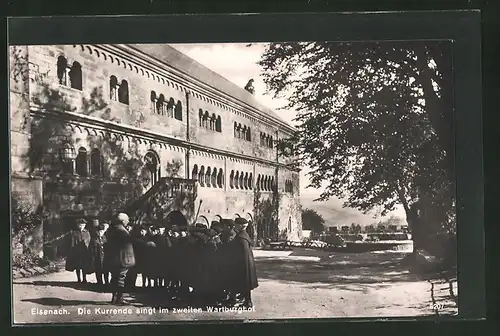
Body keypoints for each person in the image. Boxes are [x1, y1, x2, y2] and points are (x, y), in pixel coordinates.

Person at [106, 213, 136, 305]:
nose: (128, 221)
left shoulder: (112, 230)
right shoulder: (121, 231)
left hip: (113, 258)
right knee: (120, 278)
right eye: (127, 220)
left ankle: (114, 298)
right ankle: (119, 299)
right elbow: (128, 242)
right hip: (122, 258)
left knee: (114, 277)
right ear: (123, 221)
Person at [231, 217, 258, 308]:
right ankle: (247, 302)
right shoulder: (244, 235)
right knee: (245, 283)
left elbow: (242, 253)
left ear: (240, 226)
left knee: (245, 283)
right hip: (246, 263)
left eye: (236, 225)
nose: (234, 226)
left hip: (244, 264)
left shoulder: (241, 238)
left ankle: (248, 303)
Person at [65, 218, 91, 284]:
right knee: (78, 266)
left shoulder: (87, 233)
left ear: (85, 225)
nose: (81, 226)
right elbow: (71, 243)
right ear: (77, 225)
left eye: (83, 225)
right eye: (80, 225)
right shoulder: (74, 233)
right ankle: (79, 279)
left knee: (84, 266)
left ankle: (84, 279)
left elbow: (89, 242)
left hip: (85, 252)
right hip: (77, 252)